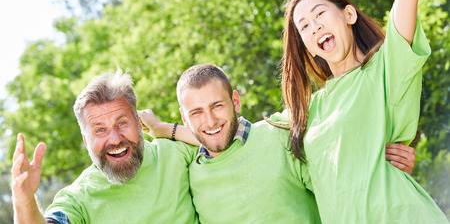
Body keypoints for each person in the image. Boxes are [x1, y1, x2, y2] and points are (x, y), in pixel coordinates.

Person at [275, 0, 449, 222]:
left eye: (320, 14)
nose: (314, 26)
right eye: (304, 26)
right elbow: (233, 133)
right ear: (307, 46)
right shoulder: (306, 113)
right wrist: (170, 130)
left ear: (349, 15)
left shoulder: (386, 67)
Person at [140, 63, 416, 223]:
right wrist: (162, 129)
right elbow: (208, 137)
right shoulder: (190, 166)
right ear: (185, 119)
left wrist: (385, 168)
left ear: (235, 102)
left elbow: (343, 180)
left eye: (217, 106)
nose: (210, 120)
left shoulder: (278, 134)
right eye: (196, 112)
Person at [11, 69, 198, 224]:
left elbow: (222, 143)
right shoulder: (77, 199)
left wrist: (162, 128)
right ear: (86, 140)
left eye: (122, 123)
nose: (115, 139)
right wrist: (25, 201)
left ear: (138, 121)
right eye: (100, 130)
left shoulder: (176, 152)